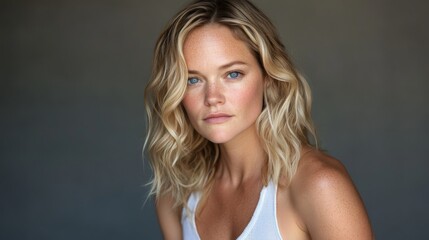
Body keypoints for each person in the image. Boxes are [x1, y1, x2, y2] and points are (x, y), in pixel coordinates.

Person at [144, 0, 374, 239]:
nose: (213, 98)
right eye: (193, 80)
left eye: (233, 74)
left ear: (268, 77)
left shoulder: (319, 185)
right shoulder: (175, 197)